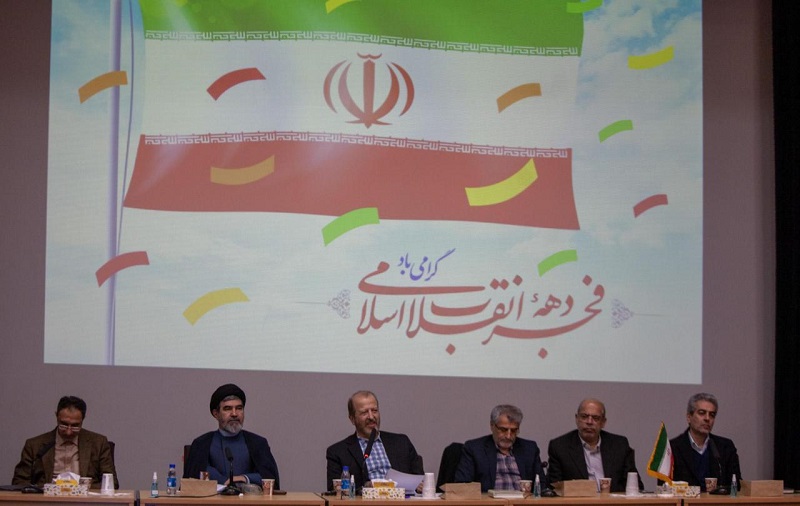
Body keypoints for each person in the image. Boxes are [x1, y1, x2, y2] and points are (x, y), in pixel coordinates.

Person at [184, 383, 280, 489]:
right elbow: (193, 478)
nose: (234, 414)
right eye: (227, 409)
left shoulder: (258, 443)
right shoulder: (201, 444)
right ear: (216, 414)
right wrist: (224, 481)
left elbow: (270, 479)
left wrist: (244, 478)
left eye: (239, 408)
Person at [12, 396, 118, 489]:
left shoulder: (98, 443)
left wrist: (79, 488)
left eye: (75, 426)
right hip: (47, 500)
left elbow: (111, 483)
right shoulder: (35, 445)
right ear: (56, 417)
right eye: (63, 425)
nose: (68, 431)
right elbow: (19, 482)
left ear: (83, 420)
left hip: (85, 500)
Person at [326, 390, 424, 492]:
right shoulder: (338, 452)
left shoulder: (401, 443)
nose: (371, 417)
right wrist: (364, 488)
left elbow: (419, 480)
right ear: (352, 419)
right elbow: (334, 491)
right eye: (364, 412)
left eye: (374, 410)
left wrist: (419, 486)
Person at [546, 398, 642, 492]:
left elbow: (636, 486)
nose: (589, 422)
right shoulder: (560, 447)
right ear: (577, 419)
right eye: (584, 416)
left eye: (595, 418)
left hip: (612, 500)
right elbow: (555, 489)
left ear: (603, 422)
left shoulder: (619, 445)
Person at [455, 404, 546, 492]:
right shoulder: (475, 449)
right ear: (492, 426)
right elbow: (463, 486)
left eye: (514, 431)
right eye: (503, 430)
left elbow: (542, 486)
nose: (508, 436)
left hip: (523, 500)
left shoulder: (529, 449)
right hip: (489, 500)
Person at [670, 393, 741, 491]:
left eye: (712, 415)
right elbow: (665, 489)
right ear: (689, 417)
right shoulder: (673, 448)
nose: (707, 418)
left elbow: (736, 486)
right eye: (702, 413)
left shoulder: (725, 447)